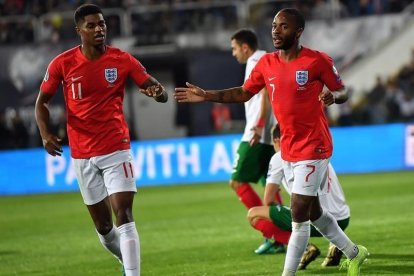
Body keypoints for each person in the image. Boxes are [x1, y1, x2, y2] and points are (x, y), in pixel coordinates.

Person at [175, 7, 368, 276]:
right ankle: (355, 253)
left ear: (298, 31)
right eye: (275, 26)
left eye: (284, 26)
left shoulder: (317, 60)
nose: (276, 31)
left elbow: (343, 90)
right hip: (288, 147)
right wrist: (206, 95)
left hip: (314, 146)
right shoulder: (267, 64)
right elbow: (243, 93)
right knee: (314, 213)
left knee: (299, 214)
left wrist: (334, 97)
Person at [35, 4, 168, 276]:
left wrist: (157, 92)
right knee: (104, 229)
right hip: (82, 155)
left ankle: (133, 273)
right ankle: (125, 261)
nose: (99, 30)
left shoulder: (122, 60)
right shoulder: (62, 63)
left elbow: (157, 89)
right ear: (79, 30)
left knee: (124, 216)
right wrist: (45, 133)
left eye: (102, 24)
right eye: (92, 26)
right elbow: (42, 102)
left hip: (116, 148)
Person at [247, 124, 351, 269]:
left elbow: (268, 200)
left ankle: (305, 247)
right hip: (343, 218)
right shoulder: (315, 152)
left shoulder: (279, 157)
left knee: (254, 215)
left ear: (277, 141)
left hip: (319, 221)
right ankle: (336, 244)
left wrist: (279, 211)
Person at [230, 28, 285, 254]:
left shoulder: (256, 60)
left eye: (234, 48)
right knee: (268, 186)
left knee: (237, 181)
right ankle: (282, 237)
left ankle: (280, 235)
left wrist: (259, 125)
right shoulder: (265, 58)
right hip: (266, 134)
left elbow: (264, 94)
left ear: (245, 47)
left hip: (257, 133)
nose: (233, 54)